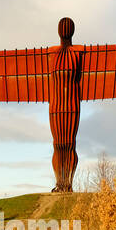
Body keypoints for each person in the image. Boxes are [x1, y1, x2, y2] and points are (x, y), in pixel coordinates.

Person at [47, 17, 82, 193]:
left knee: (69, 144)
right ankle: (59, 183)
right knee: (58, 144)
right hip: (55, 106)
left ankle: (67, 184)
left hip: (72, 105)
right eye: (63, 27)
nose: (65, 30)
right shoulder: (51, 54)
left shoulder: (79, 53)